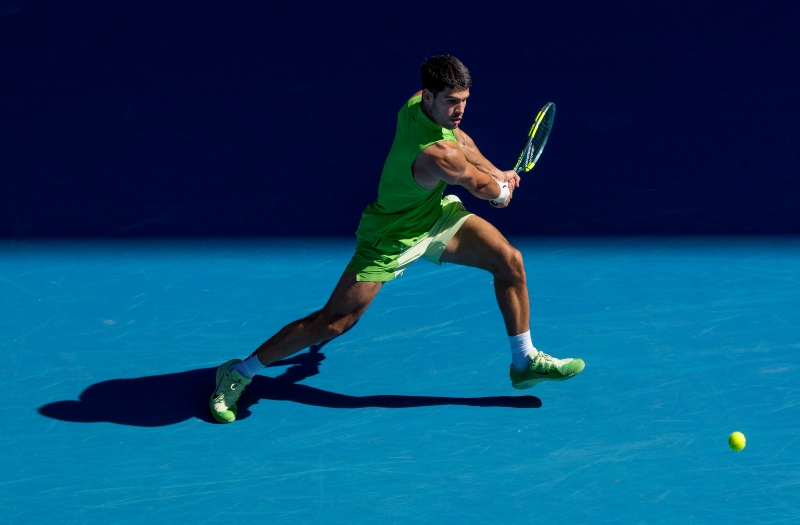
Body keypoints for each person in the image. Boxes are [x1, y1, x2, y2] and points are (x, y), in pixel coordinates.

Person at [210, 55, 584, 423]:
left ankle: (523, 360)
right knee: (334, 322)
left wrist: (497, 170)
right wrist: (501, 190)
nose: (459, 110)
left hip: (434, 216)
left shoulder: (418, 107)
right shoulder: (438, 154)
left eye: (464, 101)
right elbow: (480, 186)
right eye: (451, 102)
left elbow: (462, 140)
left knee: (509, 262)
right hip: (390, 236)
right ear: (429, 96)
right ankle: (239, 371)